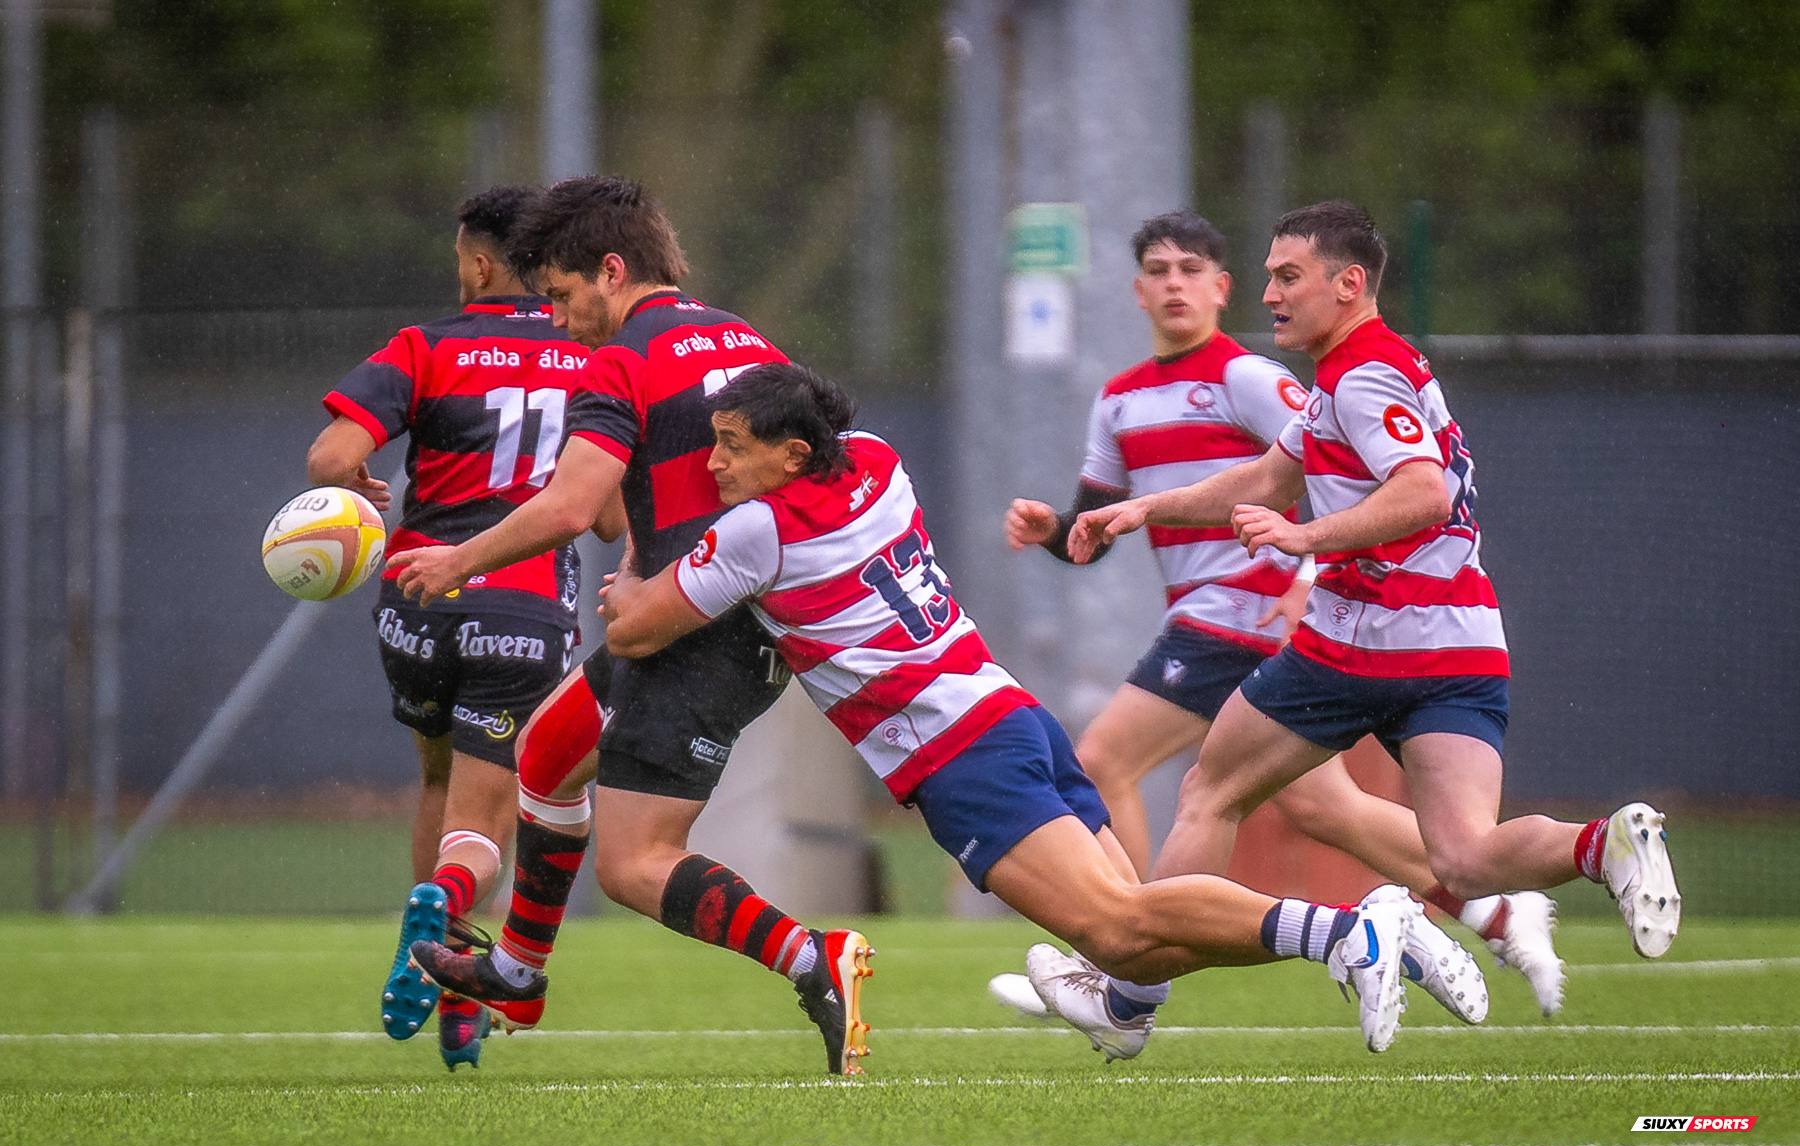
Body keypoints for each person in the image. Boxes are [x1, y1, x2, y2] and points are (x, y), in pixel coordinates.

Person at [586, 361, 1496, 1065]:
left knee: (1117, 930)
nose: (711, 463)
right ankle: (1323, 938)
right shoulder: (875, 461)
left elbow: (633, 632)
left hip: (959, 756)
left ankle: (1353, 929)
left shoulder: (758, 531)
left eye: (732, 445)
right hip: (1008, 712)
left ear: (791, 457)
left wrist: (634, 553)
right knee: (1138, 942)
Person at [991, 212, 1563, 1041]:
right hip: (1207, 617)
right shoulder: (1118, 400)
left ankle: (1125, 949)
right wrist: (1053, 529)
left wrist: (1302, 571)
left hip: (1243, 615)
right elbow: (1096, 527)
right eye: (1160, 269)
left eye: (1194, 268)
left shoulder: (1253, 377)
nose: (1176, 282)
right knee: (1323, 808)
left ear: (1221, 290)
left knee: (1109, 759)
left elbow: (1320, 471)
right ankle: (1497, 909)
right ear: (1138, 290)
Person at [1070, 201, 1681, 973]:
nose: (1270, 295)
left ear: (1350, 283)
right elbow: (1267, 476)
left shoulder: (1360, 376)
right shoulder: (1356, 372)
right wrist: (1146, 506)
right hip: (1461, 642)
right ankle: (1604, 843)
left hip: (1369, 638)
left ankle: (1128, 988)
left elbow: (1421, 490)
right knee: (1463, 857)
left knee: (1209, 790)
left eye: (1288, 276)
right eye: (1268, 278)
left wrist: (1305, 538)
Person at [387, 176, 870, 1076]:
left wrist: (457, 559)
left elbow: (572, 508)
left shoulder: (620, 358)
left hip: (700, 632)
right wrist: (653, 552)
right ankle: (518, 972)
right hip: (728, 611)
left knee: (635, 862)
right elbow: (753, 472)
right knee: (546, 750)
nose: (562, 322)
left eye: (565, 298)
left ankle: (817, 959)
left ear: (613, 271)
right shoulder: (743, 335)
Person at [305, 185, 619, 1069]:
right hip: (521, 608)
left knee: (436, 781)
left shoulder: (428, 345)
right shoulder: (586, 353)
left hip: (417, 599)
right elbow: (601, 522)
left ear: (478, 264)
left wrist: (363, 479)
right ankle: (450, 934)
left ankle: (438, 962)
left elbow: (330, 456)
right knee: (487, 820)